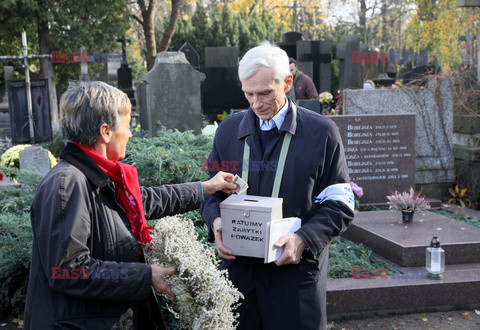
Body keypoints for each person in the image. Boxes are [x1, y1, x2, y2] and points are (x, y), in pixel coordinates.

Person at [23, 81, 237, 329]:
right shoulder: (67, 185)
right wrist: (145, 276)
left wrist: (206, 187)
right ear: (106, 132)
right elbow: (69, 271)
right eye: (127, 125)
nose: (131, 133)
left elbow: (146, 200)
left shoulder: (101, 176)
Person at [201, 43, 354, 330]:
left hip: (294, 279)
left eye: (264, 93)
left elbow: (340, 205)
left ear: (288, 82)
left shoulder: (322, 133)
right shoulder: (228, 131)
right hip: (239, 278)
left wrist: (303, 239)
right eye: (248, 94)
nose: (256, 104)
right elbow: (211, 193)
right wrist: (216, 222)